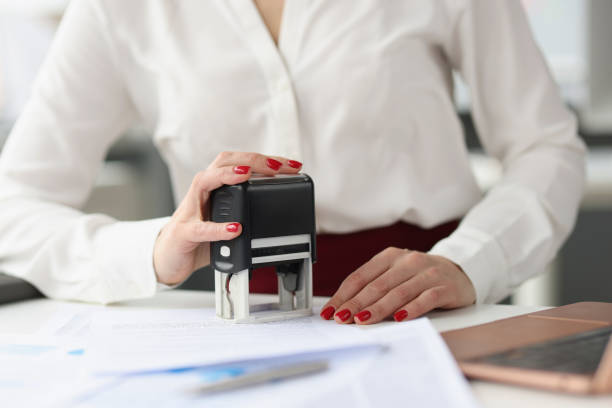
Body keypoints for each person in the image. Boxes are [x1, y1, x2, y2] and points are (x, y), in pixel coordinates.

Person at [0, 0, 585, 325]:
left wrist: (471, 260)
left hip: (427, 310)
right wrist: (154, 250)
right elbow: (14, 207)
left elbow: (546, 147)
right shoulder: (116, 8)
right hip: (226, 321)